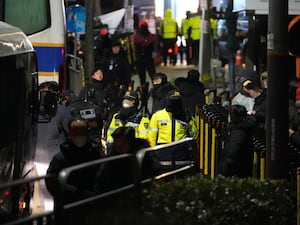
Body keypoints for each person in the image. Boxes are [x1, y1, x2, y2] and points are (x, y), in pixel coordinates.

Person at [45, 117, 103, 203]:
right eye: (75, 132)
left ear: (87, 132)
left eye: (82, 132)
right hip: (68, 208)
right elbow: (51, 182)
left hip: (93, 207)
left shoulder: (97, 155)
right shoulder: (60, 158)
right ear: (69, 133)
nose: (79, 135)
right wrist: (71, 193)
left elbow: (105, 178)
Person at [95, 126, 150, 193]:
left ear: (130, 143)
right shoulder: (111, 157)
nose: (119, 149)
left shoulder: (142, 155)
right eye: (117, 146)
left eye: (122, 146)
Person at [106, 90, 149, 154]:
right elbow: (110, 133)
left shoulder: (142, 119)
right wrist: (112, 145)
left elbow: (143, 138)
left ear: (136, 102)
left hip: (132, 152)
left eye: (130, 100)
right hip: (116, 150)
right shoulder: (116, 117)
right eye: (125, 99)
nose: (126, 102)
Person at [219, 105, 256, 178]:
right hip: (242, 170)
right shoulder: (244, 129)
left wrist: (224, 170)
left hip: (235, 173)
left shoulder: (238, 132)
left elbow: (233, 152)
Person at [134, 20, 156, 88]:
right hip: (147, 58)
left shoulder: (136, 37)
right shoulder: (151, 36)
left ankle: (145, 90)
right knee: (152, 75)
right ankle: (155, 88)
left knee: (143, 77)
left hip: (141, 59)